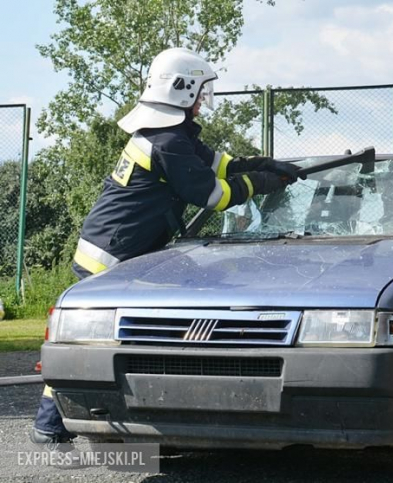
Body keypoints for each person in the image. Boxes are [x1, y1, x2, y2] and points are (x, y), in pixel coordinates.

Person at [30, 47, 302, 449]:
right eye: (200, 92)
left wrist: (263, 164)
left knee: (126, 341)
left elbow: (219, 165)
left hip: (118, 248)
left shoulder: (169, 135)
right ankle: (50, 425)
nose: (203, 101)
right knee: (100, 345)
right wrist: (260, 183)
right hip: (112, 256)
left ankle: (119, 419)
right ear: (184, 90)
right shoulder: (168, 141)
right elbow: (211, 194)